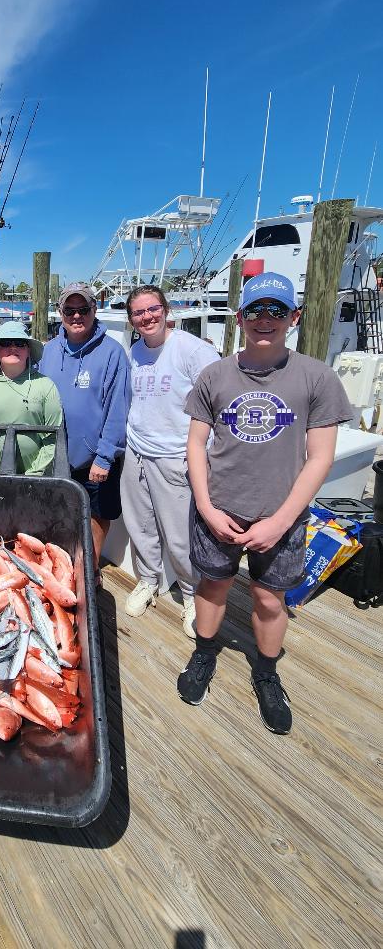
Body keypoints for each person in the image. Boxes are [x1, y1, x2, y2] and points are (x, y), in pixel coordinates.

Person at [180, 272, 352, 734]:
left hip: (283, 515)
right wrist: (208, 507)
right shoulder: (214, 375)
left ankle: (267, 671)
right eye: (256, 310)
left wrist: (280, 521)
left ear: (293, 317)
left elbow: (320, 458)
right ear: (239, 318)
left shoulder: (317, 377)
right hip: (218, 507)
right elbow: (196, 446)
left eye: (277, 310)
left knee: (268, 599)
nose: (265, 319)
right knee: (212, 586)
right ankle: (204, 651)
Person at [121, 285, 219, 639]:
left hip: (176, 455)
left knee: (180, 536)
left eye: (153, 309)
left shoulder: (193, 350)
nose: (147, 317)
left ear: (166, 309)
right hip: (136, 451)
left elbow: (218, 402)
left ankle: (192, 594)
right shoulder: (133, 352)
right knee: (140, 525)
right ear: (131, 319)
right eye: (138, 312)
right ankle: (148, 581)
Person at [39, 282, 130, 569]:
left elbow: (118, 408)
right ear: (60, 312)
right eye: (70, 310)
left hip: (96, 460)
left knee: (97, 515)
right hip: (55, 457)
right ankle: (65, 568)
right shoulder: (48, 351)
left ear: (94, 310)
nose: (76, 316)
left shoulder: (113, 352)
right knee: (57, 514)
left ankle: (89, 571)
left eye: (83, 309)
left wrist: (104, 456)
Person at [0, 319, 63, 475]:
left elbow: (54, 437)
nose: (12, 347)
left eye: (19, 343)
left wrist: (35, 473)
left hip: (40, 480)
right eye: (5, 343)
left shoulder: (46, 385)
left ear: (28, 350)